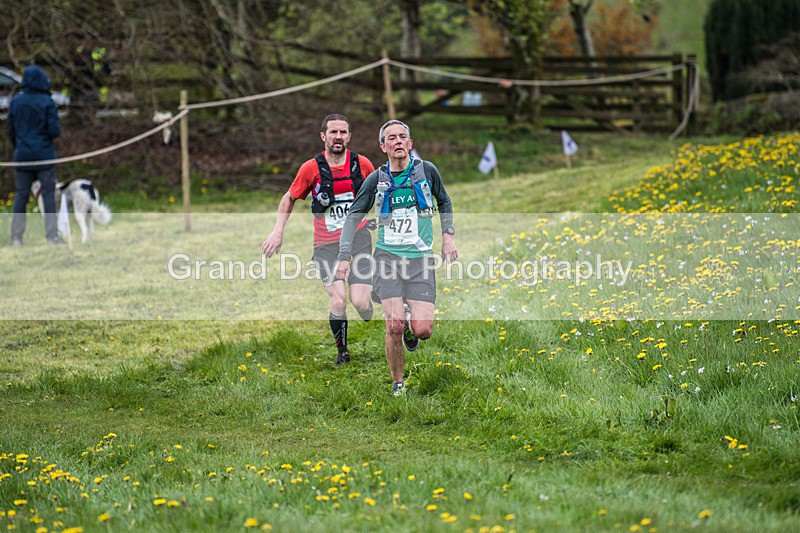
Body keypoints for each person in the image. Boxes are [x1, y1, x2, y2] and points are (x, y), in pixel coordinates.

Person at [336, 120, 458, 396]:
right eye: (391, 138)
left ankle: (410, 327)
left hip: (420, 260)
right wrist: (344, 255)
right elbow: (354, 214)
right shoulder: (375, 180)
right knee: (393, 326)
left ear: (410, 143)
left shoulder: (427, 171)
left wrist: (448, 236)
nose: (398, 141)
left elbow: (444, 201)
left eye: (403, 137)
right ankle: (398, 384)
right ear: (383, 146)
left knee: (424, 329)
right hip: (387, 259)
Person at [262, 114, 376, 367]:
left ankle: (369, 303)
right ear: (323, 136)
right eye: (333, 132)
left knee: (361, 303)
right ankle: (343, 352)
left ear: (349, 136)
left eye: (343, 132)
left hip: (358, 241)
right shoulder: (310, 168)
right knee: (337, 299)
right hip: (325, 245)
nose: (338, 136)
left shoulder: (362, 164)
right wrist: (277, 231)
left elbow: (382, 189)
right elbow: (289, 198)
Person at [9, 65, 64, 246]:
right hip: (44, 155)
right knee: (48, 195)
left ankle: (16, 237)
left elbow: (11, 131)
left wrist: (21, 146)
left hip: (22, 156)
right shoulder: (46, 101)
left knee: (21, 196)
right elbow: (54, 130)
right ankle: (51, 237)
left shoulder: (16, 101)